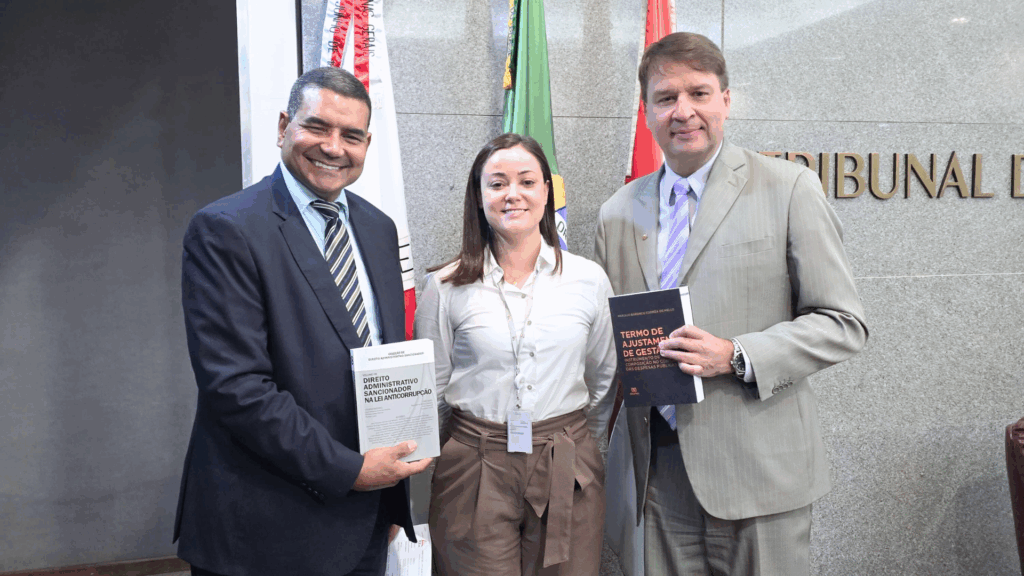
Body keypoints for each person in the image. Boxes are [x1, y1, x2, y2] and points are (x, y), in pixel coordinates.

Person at [595, 33, 869, 576]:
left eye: (699, 93)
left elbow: (843, 322)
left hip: (759, 476)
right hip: (655, 480)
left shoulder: (788, 188)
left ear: (726, 100)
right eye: (666, 97)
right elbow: (606, 344)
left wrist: (736, 355)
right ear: (646, 111)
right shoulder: (619, 212)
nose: (683, 111)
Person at [174, 67, 431, 576]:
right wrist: (351, 471)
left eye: (351, 135)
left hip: (364, 521)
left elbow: (381, 360)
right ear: (283, 127)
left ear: (367, 144)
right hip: (266, 530)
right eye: (317, 127)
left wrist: (389, 492)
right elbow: (237, 388)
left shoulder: (378, 228)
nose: (333, 147)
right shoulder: (226, 229)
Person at [415, 133, 617, 576]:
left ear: (546, 191)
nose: (513, 194)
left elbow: (603, 379)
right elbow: (432, 392)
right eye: (497, 183)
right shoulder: (445, 286)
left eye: (527, 181)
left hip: (566, 460)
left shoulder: (588, 280)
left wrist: (571, 437)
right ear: (479, 195)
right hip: (474, 463)